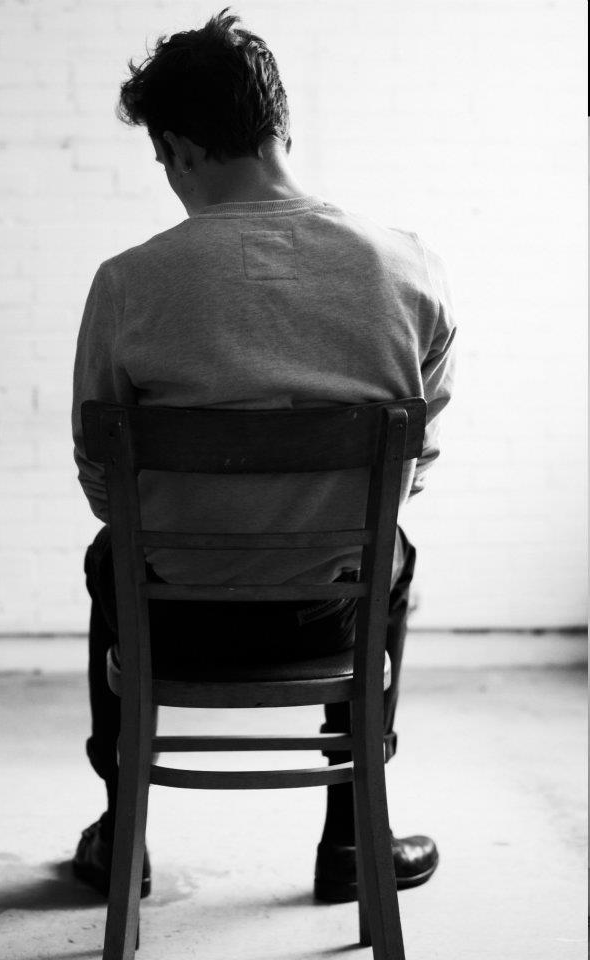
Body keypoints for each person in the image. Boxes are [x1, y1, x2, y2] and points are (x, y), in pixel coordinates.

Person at [70, 7, 456, 904]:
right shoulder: (408, 270)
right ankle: (354, 838)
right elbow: (415, 460)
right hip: (329, 614)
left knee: (108, 557)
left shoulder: (127, 283)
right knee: (390, 555)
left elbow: (101, 474)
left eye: (163, 159)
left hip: (172, 619)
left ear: (178, 148)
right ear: (280, 125)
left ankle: (122, 830)